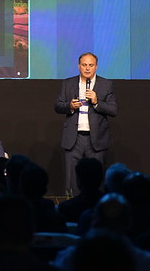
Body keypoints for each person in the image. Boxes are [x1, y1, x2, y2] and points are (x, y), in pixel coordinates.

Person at [54, 52, 118, 196]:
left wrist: (96, 102)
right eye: (84, 65)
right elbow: (57, 106)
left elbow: (113, 110)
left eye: (91, 65)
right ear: (79, 66)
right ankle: (73, 203)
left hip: (96, 139)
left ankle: (95, 205)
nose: (87, 68)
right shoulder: (68, 83)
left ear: (96, 67)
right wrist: (70, 106)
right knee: (72, 178)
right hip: (74, 138)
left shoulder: (106, 84)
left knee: (96, 178)